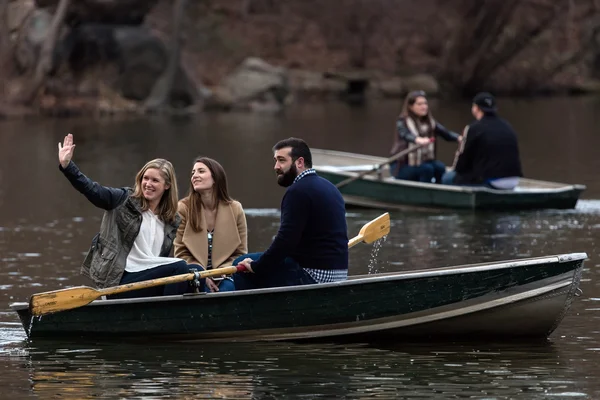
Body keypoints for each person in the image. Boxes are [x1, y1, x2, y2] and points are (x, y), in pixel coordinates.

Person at [58, 133, 204, 298]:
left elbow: (159, 260)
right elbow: (92, 190)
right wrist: (67, 166)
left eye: (155, 181)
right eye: (145, 178)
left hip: (150, 279)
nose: (148, 184)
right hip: (120, 281)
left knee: (198, 272)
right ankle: (165, 318)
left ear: (167, 186)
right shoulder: (122, 200)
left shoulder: (170, 219)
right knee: (180, 268)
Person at [233, 138, 349, 290]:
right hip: (340, 274)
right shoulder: (331, 188)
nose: (276, 167)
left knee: (240, 265)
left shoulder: (297, 191)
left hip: (314, 276)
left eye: (281, 160)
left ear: (299, 162)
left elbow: (285, 241)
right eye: (275, 161)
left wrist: (256, 266)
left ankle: (256, 312)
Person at [174, 157, 248, 293]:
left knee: (228, 291)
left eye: (201, 171)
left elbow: (240, 253)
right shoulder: (183, 208)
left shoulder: (235, 209)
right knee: (204, 291)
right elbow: (180, 253)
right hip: (195, 274)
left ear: (215, 178)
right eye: (193, 173)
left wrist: (222, 272)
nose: (195, 176)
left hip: (226, 274)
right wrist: (203, 275)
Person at [441, 92, 523, 189]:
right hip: (514, 180)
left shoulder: (473, 128)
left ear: (475, 108)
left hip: (492, 181)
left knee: (447, 178)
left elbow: (462, 158)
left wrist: (456, 171)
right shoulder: (508, 126)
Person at [389, 90, 461, 183]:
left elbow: (446, 134)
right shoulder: (402, 121)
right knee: (427, 169)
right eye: (419, 104)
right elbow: (405, 134)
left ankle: (439, 191)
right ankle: (424, 194)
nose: (424, 107)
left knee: (440, 167)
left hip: (422, 162)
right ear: (410, 106)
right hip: (401, 165)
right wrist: (417, 139)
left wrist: (459, 138)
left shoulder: (430, 122)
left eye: (425, 104)